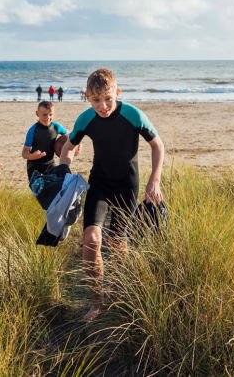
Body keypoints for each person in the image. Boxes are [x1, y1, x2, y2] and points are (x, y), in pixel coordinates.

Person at [58, 68, 164, 321]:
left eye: (108, 98)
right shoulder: (86, 119)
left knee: (117, 243)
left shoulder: (132, 115)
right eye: (96, 100)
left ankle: (119, 292)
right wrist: (64, 171)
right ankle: (97, 302)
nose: (103, 106)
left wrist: (154, 180)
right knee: (91, 239)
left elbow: (157, 145)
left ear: (117, 92)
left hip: (127, 186)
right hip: (100, 184)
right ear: (87, 97)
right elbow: (68, 148)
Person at [22, 100, 70, 188]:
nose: (48, 117)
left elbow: (70, 136)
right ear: (37, 113)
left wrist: (77, 146)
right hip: (34, 166)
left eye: (50, 114)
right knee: (40, 189)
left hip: (50, 164)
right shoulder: (33, 130)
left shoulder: (56, 127)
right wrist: (33, 156)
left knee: (61, 178)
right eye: (44, 115)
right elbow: (24, 153)